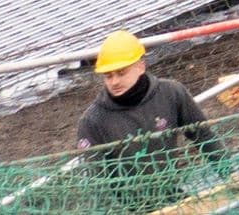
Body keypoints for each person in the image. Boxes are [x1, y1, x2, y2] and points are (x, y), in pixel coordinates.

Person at [75, 33, 220, 165]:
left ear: (140, 67)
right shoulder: (92, 121)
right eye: (108, 76)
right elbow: (96, 177)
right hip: (127, 193)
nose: (114, 82)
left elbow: (203, 135)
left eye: (121, 73)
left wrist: (228, 172)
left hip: (170, 188)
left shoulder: (171, 93)